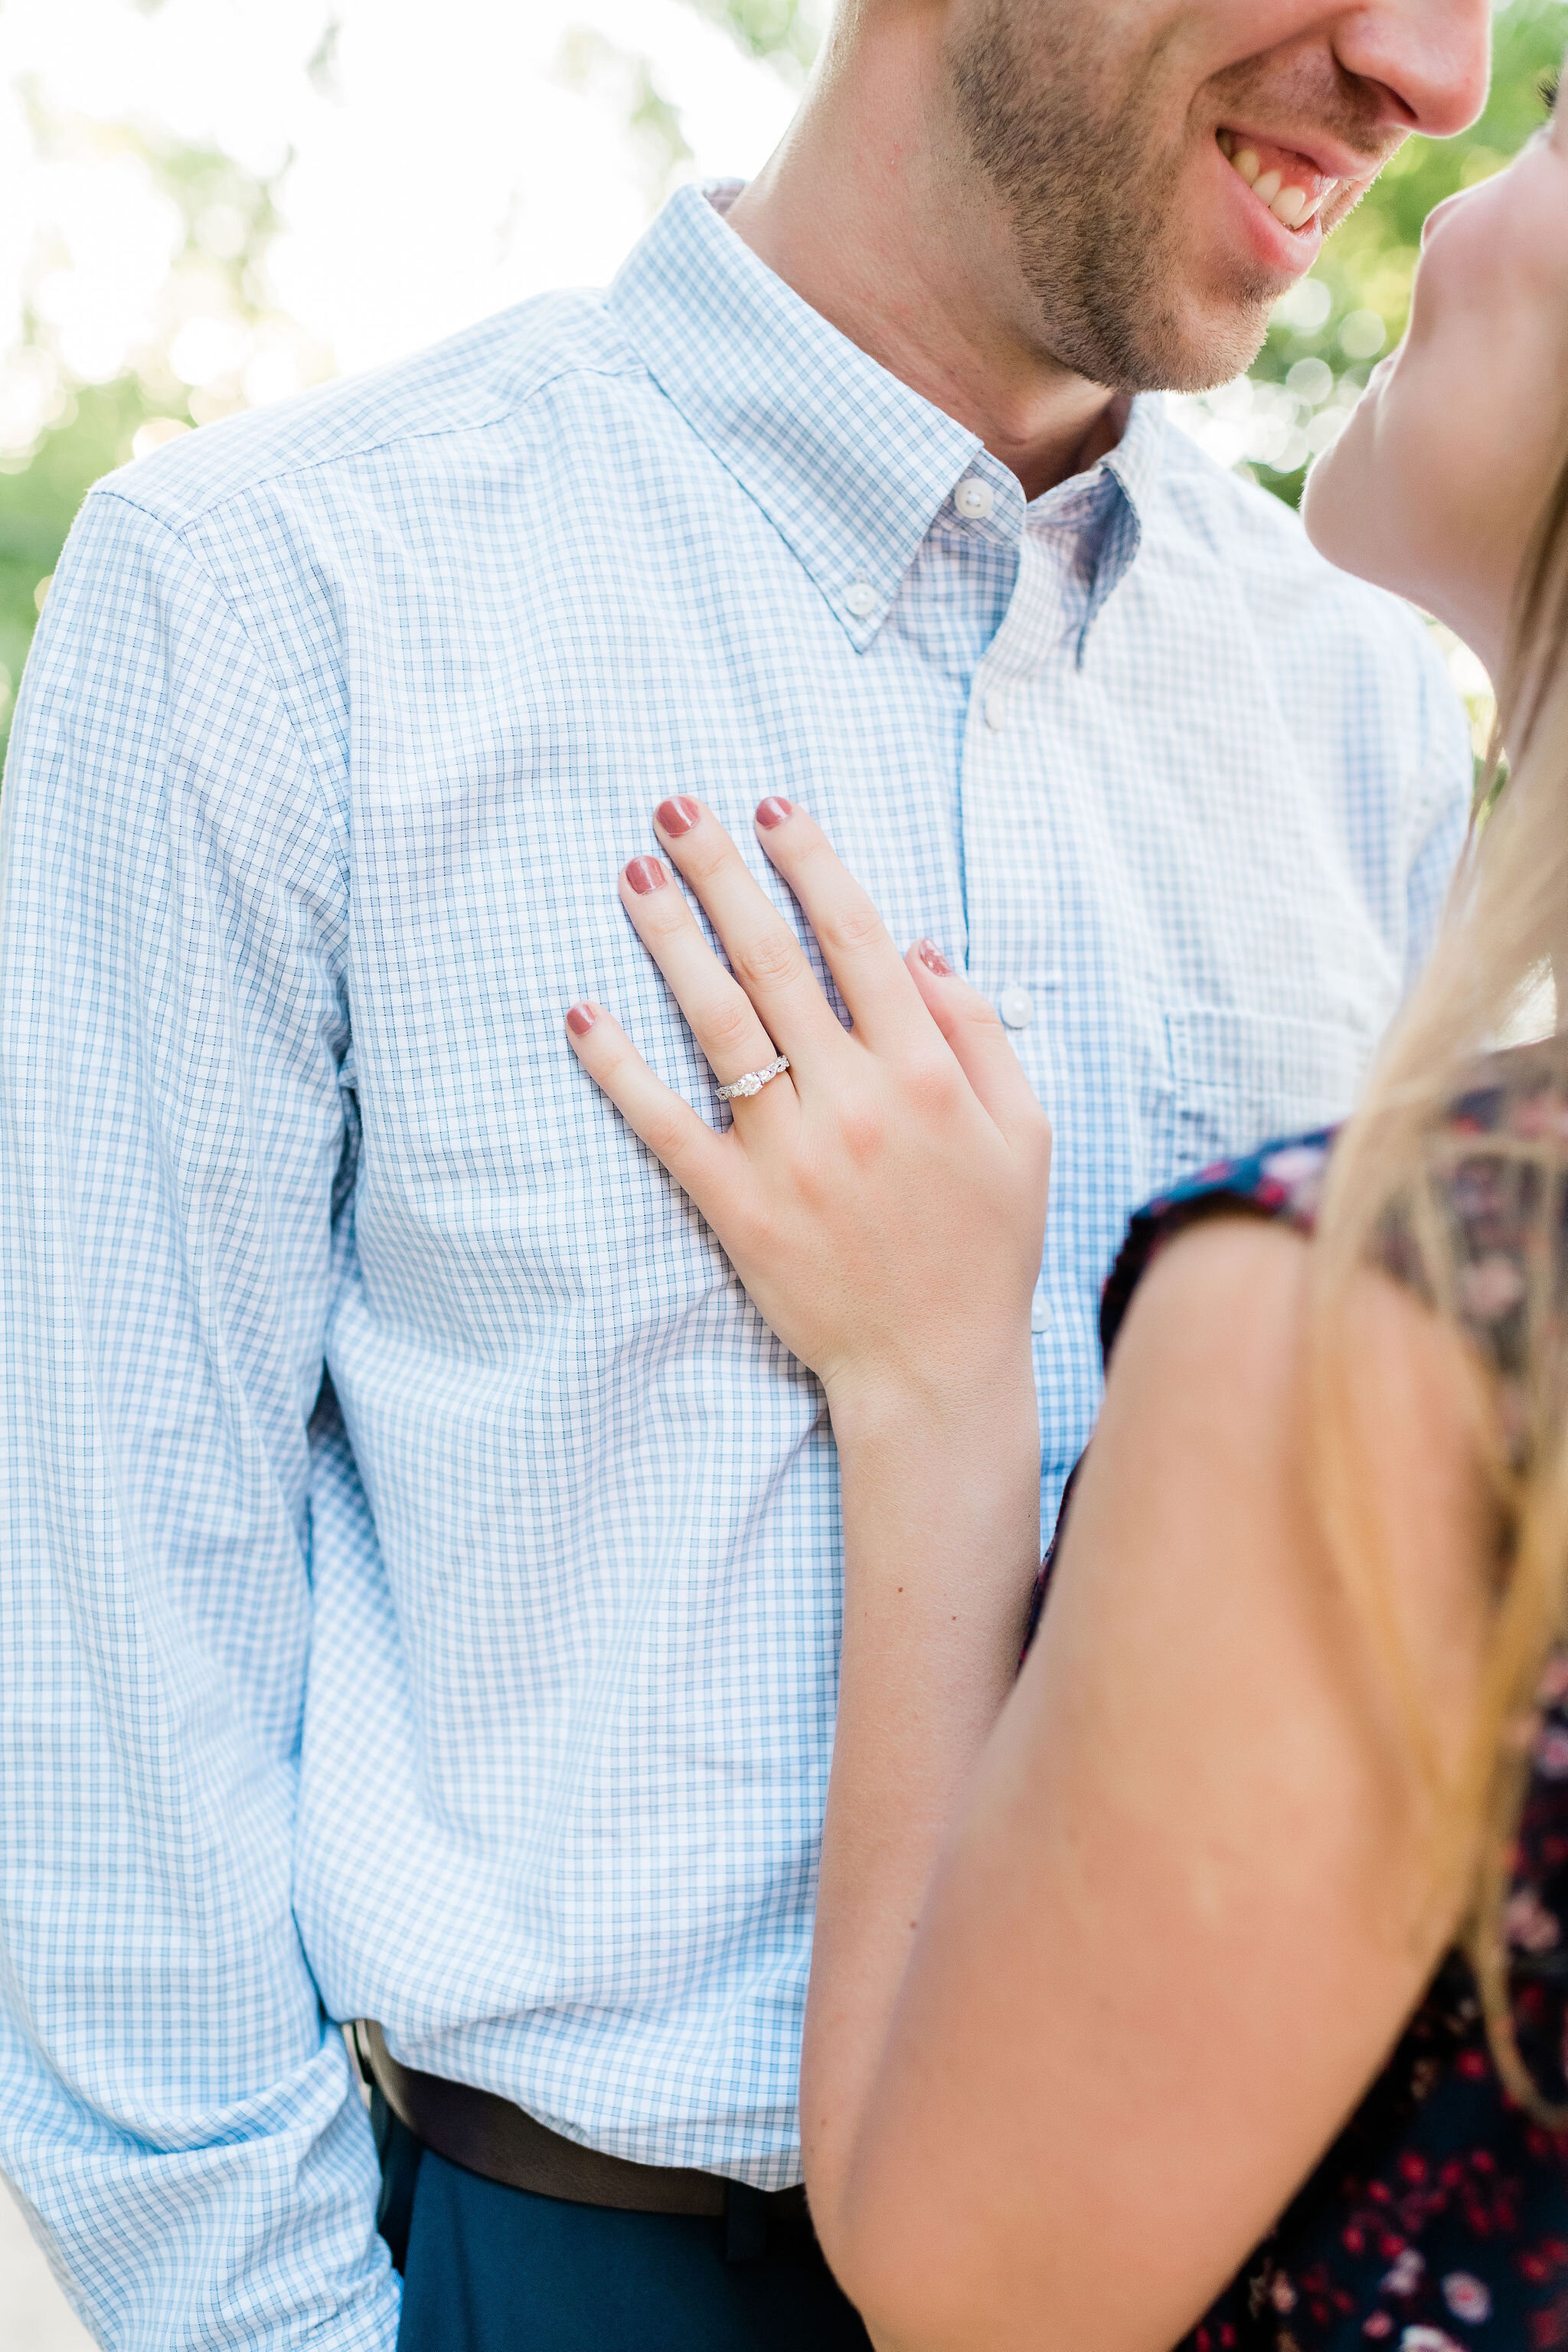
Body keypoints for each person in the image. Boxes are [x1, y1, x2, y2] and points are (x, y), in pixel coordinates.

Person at [0, 2, 1488, 2347]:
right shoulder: (273, 602)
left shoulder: (1374, 711)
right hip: (549, 2269)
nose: (1439, 69)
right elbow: (103, 1671)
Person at [564, 58, 1568, 2352]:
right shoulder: (289, 571)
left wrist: (935, 1385)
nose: (1449, 76)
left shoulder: (1380, 1302)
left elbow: (977, 2287)